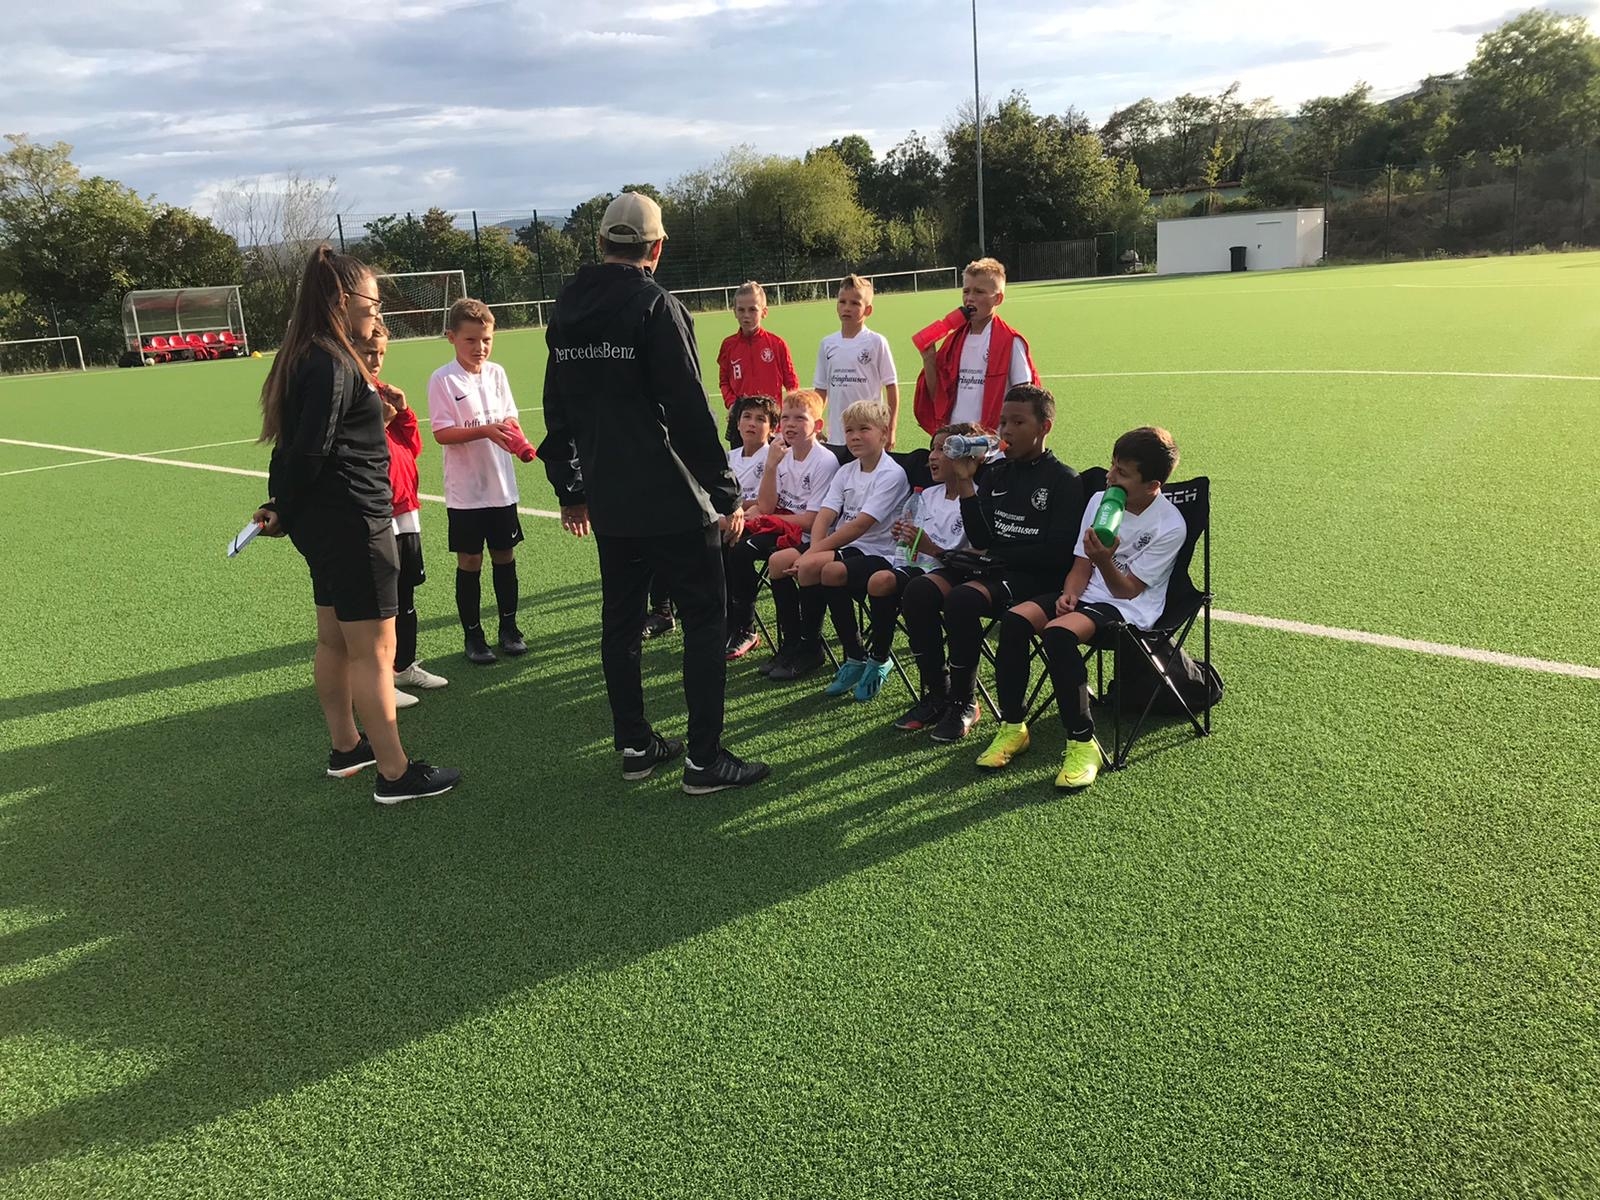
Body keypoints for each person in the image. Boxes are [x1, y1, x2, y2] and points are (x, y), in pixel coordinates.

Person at [540, 191, 770, 794]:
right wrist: (726, 493)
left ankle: (636, 745)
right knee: (704, 621)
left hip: (610, 500)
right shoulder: (656, 305)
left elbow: (556, 407)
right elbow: (689, 410)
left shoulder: (567, 308)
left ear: (600, 243)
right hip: (671, 498)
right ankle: (704, 760)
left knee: (620, 623)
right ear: (657, 248)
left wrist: (570, 488)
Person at [251, 246, 460, 805]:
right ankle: (395, 772)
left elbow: (292, 446)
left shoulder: (307, 355)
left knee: (335, 639)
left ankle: (347, 747)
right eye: (373, 300)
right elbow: (311, 449)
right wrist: (284, 505)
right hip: (353, 524)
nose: (377, 311)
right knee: (374, 651)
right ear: (343, 300)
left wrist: (282, 505)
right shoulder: (333, 362)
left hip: (328, 525)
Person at [980, 427, 1186, 790]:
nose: (1110, 476)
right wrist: (1069, 595)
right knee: (1014, 620)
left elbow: (1126, 590)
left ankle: (1082, 742)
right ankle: (1013, 727)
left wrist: (1104, 559)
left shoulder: (1170, 525)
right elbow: (1080, 565)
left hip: (1130, 609)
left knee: (1058, 635)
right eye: (1112, 465)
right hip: (1088, 596)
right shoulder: (1099, 501)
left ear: (1153, 485)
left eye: (1123, 473)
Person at [896, 384, 1082, 742]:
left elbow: (1057, 554)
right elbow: (981, 538)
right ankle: (937, 695)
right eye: (1003, 422)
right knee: (918, 591)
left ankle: (964, 702)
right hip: (991, 567)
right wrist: (967, 483)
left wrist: (997, 555)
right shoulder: (997, 474)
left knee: (962, 600)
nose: (1007, 430)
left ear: (1044, 427)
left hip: (1033, 577)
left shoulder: (1064, 479)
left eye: (1018, 422)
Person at [766, 400, 910, 693]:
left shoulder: (891, 474)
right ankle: (794, 643)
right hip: (845, 545)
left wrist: (813, 554)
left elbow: (859, 526)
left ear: (884, 433)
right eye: (849, 431)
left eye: (864, 429)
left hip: (877, 552)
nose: (854, 436)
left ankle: (838, 652)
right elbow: (825, 515)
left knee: (818, 568)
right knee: (778, 562)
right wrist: (814, 549)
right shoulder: (847, 471)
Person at [854, 421, 987, 704]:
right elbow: (913, 544)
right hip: (920, 567)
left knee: (912, 590)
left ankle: (941, 692)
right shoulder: (927, 494)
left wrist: (930, 547)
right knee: (878, 581)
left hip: (954, 573)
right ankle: (876, 657)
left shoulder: (976, 498)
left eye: (943, 450)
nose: (932, 457)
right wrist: (904, 536)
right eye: (932, 449)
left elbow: (977, 553)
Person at [427, 298, 529, 666]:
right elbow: (441, 433)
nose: (480, 347)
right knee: (470, 560)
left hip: (501, 487)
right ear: (451, 337)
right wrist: (485, 430)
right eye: (470, 340)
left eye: (486, 339)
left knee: (505, 555)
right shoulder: (442, 379)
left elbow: (510, 418)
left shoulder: (497, 374)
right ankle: (474, 636)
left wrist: (517, 438)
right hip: (466, 492)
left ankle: (509, 629)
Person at [361, 320, 448, 709]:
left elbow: (411, 449)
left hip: (406, 511)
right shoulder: (352, 397)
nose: (376, 360)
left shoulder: (381, 392)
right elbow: (360, 452)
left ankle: (403, 666)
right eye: (368, 352)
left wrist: (406, 411)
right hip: (377, 514)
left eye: (381, 353)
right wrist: (382, 419)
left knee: (406, 593)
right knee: (381, 602)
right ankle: (379, 679)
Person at [732, 388, 840, 674]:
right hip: (785, 526)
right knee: (734, 545)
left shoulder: (824, 461)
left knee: (758, 555)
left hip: (812, 536)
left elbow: (812, 521)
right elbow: (767, 505)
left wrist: (769, 518)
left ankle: (806, 645)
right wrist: (770, 466)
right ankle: (776, 638)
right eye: (786, 418)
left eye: (800, 418)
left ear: (817, 425)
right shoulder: (782, 454)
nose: (790, 424)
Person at [912, 257, 1039, 435]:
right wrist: (929, 359)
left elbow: (1024, 397)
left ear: (998, 299)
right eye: (966, 291)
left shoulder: (1010, 341)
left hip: (991, 440)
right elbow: (938, 396)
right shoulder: (954, 341)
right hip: (954, 438)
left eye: (979, 292)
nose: (970, 298)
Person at [814, 274, 900, 447]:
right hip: (837, 435)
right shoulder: (827, 344)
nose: (847, 308)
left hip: (870, 433)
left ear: (868, 310)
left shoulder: (876, 342)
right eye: (842, 302)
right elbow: (820, 390)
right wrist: (815, 422)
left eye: (855, 303)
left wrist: (891, 429)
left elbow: (891, 386)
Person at [717, 282, 798, 414]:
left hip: (771, 419)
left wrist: (790, 410)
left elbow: (791, 382)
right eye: (741, 310)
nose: (746, 315)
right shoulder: (728, 345)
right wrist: (731, 403)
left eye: (752, 309)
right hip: (742, 418)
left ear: (764, 312)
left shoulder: (777, 344)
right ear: (734, 312)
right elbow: (724, 381)